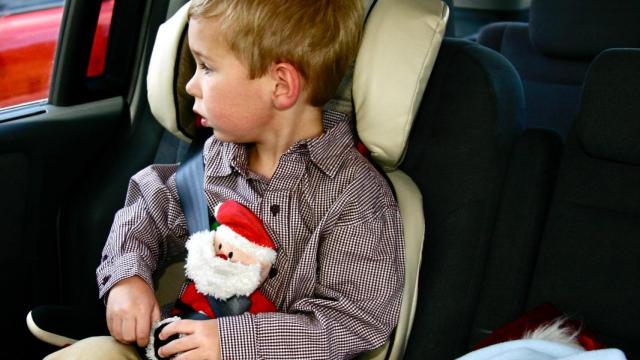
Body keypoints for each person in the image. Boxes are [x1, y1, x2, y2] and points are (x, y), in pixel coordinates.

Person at [45, 0, 404, 359]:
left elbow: (353, 321)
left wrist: (230, 341)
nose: (190, 86)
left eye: (206, 68)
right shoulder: (215, 159)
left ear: (280, 86)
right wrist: (128, 278)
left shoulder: (354, 197)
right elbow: (148, 209)